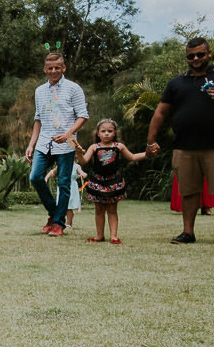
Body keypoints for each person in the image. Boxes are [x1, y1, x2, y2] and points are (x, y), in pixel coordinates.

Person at [146, 37, 214, 246]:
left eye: (200, 54)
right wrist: (150, 141)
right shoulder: (176, 83)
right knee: (188, 192)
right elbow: (161, 112)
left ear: (209, 54)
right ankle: (188, 232)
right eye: (191, 56)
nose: (196, 59)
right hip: (184, 147)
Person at [25, 52, 89, 236]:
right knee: (35, 177)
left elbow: (83, 115)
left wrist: (68, 134)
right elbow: (38, 119)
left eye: (57, 67)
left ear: (63, 68)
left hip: (67, 142)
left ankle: (59, 224)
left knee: (64, 183)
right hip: (44, 142)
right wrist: (31, 144)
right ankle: (54, 213)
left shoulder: (74, 89)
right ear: (45, 69)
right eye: (50, 68)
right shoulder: (39, 91)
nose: (54, 71)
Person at [74, 119, 146, 244]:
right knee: (99, 210)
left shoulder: (119, 146)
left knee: (112, 210)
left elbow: (132, 157)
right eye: (103, 131)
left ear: (115, 133)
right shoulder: (94, 147)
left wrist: (147, 154)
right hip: (97, 182)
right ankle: (99, 236)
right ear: (98, 133)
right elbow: (84, 161)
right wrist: (79, 154)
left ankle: (114, 236)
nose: (106, 133)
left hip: (113, 182)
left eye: (110, 131)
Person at [46, 161, 87, 230]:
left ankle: (68, 224)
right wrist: (46, 178)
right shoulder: (61, 164)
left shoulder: (76, 166)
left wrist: (83, 174)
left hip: (72, 187)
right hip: (62, 186)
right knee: (61, 205)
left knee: (69, 206)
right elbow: (53, 172)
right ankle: (61, 222)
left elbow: (81, 172)